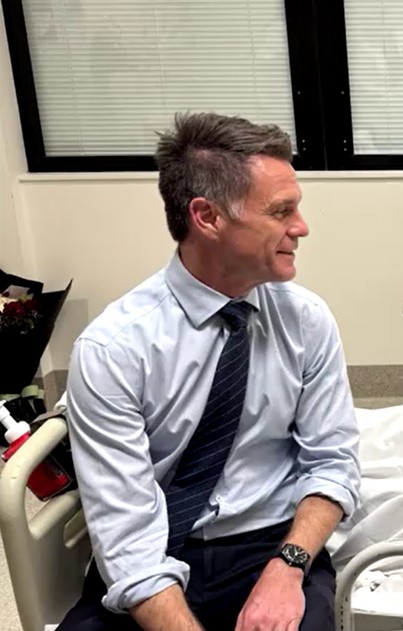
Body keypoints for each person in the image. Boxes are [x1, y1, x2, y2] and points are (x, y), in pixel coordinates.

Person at [59, 112, 360, 631]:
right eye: (281, 210)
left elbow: (333, 465)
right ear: (208, 217)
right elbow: (128, 541)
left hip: (273, 545)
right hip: (159, 547)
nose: (301, 227)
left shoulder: (305, 320)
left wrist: (288, 568)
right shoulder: (114, 349)